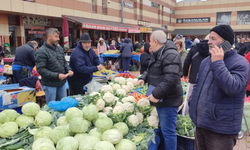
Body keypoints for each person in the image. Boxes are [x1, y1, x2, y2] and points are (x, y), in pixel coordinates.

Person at [189, 25, 250, 150]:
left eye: (213, 38)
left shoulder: (241, 63)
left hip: (221, 129)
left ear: (226, 43)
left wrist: (218, 63)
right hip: (201, 124)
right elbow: (198, 84)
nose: (209, 42)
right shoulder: (206, 61)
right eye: (209, 38)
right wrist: (192, 104)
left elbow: (232, 88)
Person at [135, 30, 183, 150]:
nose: (149, 44)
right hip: (162, 97)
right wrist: (143, 78)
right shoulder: (158, 52)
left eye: (150, 41)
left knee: (168, 132)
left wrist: (156, 94)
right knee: (164, 129)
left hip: (169, 100)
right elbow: (151, 70)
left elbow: (171, 79)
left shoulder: (170, 54)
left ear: (156, 42)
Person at [35, 28, 73, 103]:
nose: (58, 39)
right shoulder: (41, 51)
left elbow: (64, 63)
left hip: (61, 83)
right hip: (50, 85)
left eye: (58, 37)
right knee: (52, 107)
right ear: (49, 37)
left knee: (63, 104)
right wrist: (57, 75)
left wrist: (68, 69)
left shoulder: (60, 49)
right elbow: (41, 69)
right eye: (56, 37)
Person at [182, 38, 209, 115]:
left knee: (189, 98)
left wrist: (185, 74)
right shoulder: (213, 48)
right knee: (204, 99)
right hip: (207, 78)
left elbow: (187, 62)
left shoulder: (194, 48)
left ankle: (186, 114)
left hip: (194, 77)